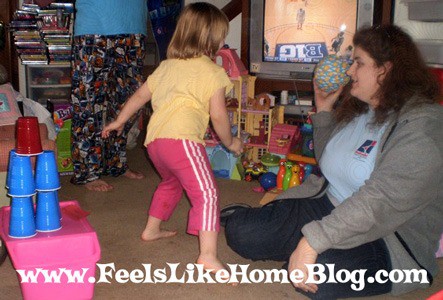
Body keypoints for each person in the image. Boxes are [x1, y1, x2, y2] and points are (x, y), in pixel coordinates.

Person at [222, 24, 442, 299]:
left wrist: (312, 242)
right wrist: (324, 108)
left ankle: (308, 248)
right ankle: (286, 235)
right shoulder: (364, 106)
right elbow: (330, 163)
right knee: (242, 233)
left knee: (321, 278)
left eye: (358, 63)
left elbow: (380, 202)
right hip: (328, 206)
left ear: (386, 70)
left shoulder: (423, 129)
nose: (349, 71)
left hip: (388, 237)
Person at [102, 2, 243, 274]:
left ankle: (151, 229)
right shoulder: (213, 72)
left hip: (155, 143)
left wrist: (120, 120)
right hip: (183, 142)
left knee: (171, 183)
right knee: (207, 193)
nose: (224, 40)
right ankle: (208, 255)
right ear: (210, 39)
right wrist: (231, 142)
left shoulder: (167, 66)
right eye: (222, 35)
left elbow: (140, 97)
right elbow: (218, 117)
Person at [70, 0, 147, 192]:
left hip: (134, 26)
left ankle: (115, 163)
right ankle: (88, 171)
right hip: (93, 26)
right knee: (87, 102)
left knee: (129, 100)